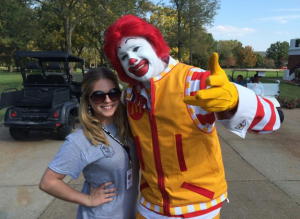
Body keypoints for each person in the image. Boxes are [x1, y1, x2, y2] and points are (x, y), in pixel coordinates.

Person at [104, 15, 281, 219]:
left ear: (154, 44)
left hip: (198, 209)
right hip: (149, 207)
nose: (132, 60)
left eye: (135, 49)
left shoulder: (195, 81)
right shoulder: (129, 96)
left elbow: (272, 121)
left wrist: (235, 101)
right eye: (123, 57)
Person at [39, 67, 139, 219]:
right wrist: (88, 199)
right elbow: (48, 182)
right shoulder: (81, 139)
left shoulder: (129, 125)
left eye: (113, 93)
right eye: (99, 96)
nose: (107, 100)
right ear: (87, 99)